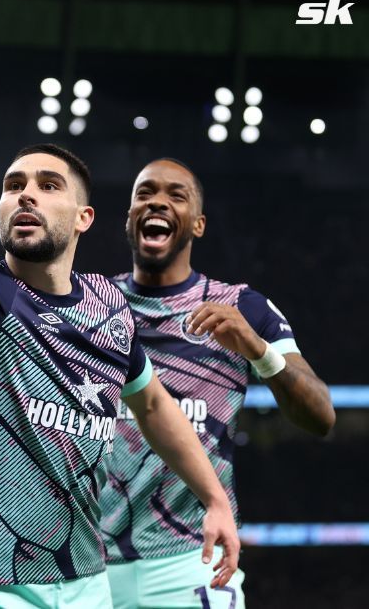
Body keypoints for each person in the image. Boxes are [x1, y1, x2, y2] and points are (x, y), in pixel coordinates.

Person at [0, 87, 239, 608]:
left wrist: (215, 498)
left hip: (87, 581)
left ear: (84, 217)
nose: (26, 194)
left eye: (48, 185)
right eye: (14, 186)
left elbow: (151, 404)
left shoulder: (111, 307)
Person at [101, 158, 335, 609]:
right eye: (145, 193)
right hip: (90, 564)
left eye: (176, 195)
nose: (158, 202)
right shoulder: (93, 305)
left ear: (199, 224)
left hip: (194, 559)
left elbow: (321, 416)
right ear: (129, 217)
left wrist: (259, 351)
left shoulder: (242, 306)